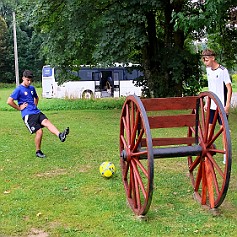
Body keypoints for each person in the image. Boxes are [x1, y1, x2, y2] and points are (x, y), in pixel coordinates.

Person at [7, 70, 69, 158]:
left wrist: (35, 106)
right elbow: (9, 101)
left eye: (30, 80)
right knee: (39, 131)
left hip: (36, 112)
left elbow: (36, 98)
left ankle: (60, 135)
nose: (29, 82)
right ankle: (38, 151)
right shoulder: (18, 89)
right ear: (23, 78)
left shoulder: (32, 88)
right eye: (27, 80)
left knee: (47, 122)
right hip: (28, 115)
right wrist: (19, 108)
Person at [202, 49, 232, 164]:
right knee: (209, 128)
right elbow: (210, 88)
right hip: (212, 105)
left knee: (223, 129)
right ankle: (207, 150)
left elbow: (229, 89)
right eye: (204, 59)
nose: (205, 61)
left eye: (207, 58)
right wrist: (206, 102)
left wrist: (227, 105)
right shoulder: (208, 70)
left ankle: (226, 153)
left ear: (213, 58)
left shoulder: (223, 70)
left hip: (221, 105)